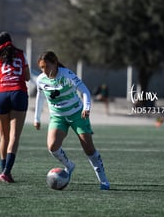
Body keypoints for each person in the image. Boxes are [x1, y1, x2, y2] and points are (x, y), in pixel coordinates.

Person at [33, 51, 110, 190]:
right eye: (42, 68)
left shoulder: (67, 74)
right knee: (52, 147)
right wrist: (36, 118)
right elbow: (40, 96)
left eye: (47, 66)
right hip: (58, 117)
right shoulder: (41, 79)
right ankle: (69, 166)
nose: (44, 71)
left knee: (89, 149)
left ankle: (103, 181)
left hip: (77, 114)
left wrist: (86, 108)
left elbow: (85, 91)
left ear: (55, 63)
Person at [0, 31, 30, 183]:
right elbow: (27, 77)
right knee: (14, 136)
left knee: (3, 137)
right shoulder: (20, 53)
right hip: (18, 93)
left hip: (1, 94)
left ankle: (4, 171)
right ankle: (6, 172)